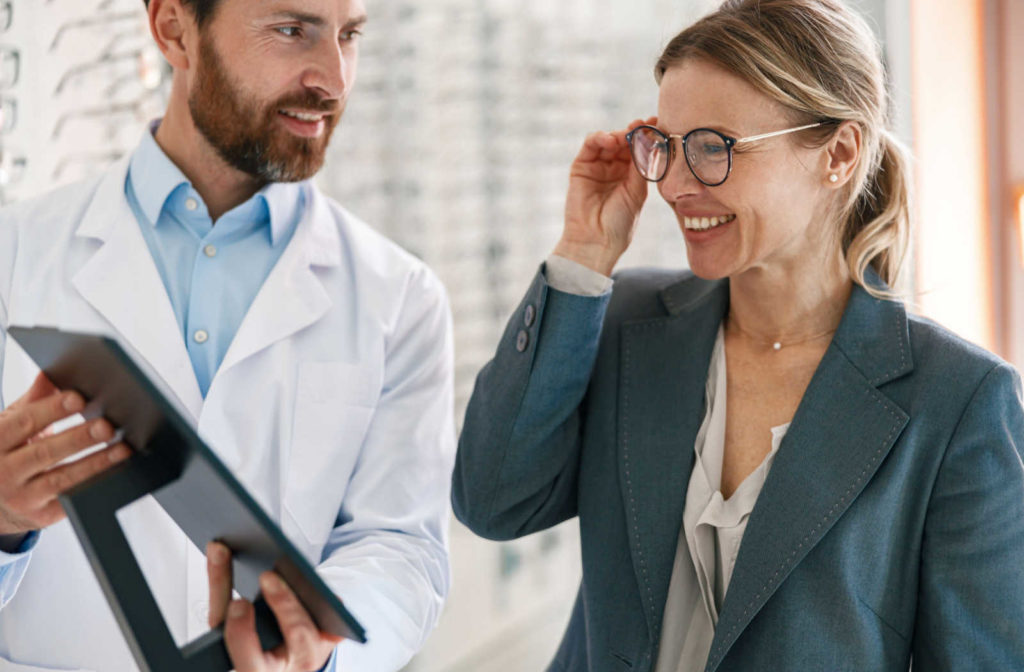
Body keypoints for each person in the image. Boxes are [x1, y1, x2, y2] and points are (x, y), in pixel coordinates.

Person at [453, 0, 1024, 670]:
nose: (674, 184)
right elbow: (493, 501)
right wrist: (583, 253)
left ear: (838, 153)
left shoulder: (961, 401)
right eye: (664, 145)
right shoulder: (622, 322)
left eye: (713, 147)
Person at [0, 0, 455, 670]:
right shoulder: (15, 254)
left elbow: (401, 545)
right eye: (291, 30)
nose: (333, 77)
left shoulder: (401, 297)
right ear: (174, 30)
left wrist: (320, 658)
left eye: (349, 35)